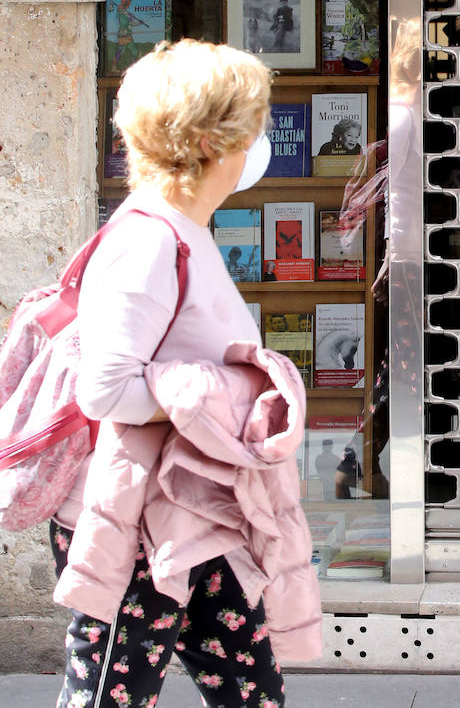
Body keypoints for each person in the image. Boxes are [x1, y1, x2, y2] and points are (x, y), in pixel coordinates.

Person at [50, 38, 321, 708]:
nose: (259, 141)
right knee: (105, 698)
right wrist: (220, 395)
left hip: (197, 513)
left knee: (250, 693)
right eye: (250, 124)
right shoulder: (147, 242)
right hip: (141, 528)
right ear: (209, 140)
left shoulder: (185, 230)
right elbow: (107, 388)